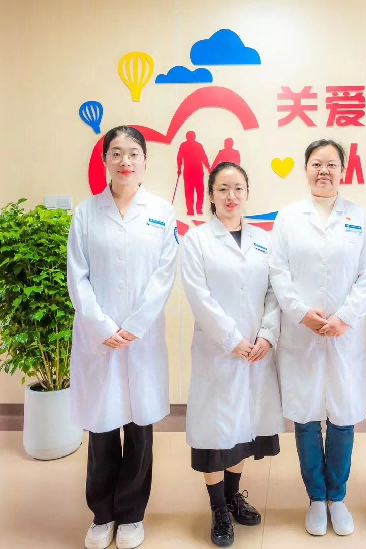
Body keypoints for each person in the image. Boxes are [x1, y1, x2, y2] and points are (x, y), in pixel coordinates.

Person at [67, 126, 178, 549]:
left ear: (145, 160)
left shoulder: (161, 212)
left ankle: (131, 514)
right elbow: (77, 277)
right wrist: (102, 327)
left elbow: (164, 276)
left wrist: (136, 324)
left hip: (141, 338)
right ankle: (102, 514)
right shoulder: (86, 213)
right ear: (105, 161)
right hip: (98, 338)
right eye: (116, 153)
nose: (125, 161)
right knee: (101, 425)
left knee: (138, 426)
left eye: (133, 153)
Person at [269, 139, 366, 537]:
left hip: (344, 335)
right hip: (302, 333)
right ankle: (316, 497)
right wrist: (301, 313)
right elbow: (278, 272)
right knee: (305, 415)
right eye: (317, 163)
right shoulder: (288, 218)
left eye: (332, 164)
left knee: (343, 415)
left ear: (343, 171)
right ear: (306, 169)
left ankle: (338, 496)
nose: (324, 171)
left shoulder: (360, 218)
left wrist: (345, 317)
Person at [181, 162, 284, 547]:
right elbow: (199, 296)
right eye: (222, 189)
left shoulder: (263, 240)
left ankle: (232, 497)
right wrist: (231, 339)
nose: (231, 196)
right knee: (215, 431)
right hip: (218, 352)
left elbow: (274, 292)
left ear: (248, 193)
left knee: (244, 428)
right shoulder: (197, 240)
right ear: (210, 194)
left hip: (256, 351)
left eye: (238, 188)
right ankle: (218, 509)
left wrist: (267, 335)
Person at [176, 131, 210, 216]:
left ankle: (197, 209)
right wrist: (179, 168)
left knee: (197, 190)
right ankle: (192, 210)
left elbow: (203, 157)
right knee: (191, 191)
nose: (191, 138)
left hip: (195, 171)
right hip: (191, 171)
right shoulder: (187, 145)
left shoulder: (196, 145)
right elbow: (179, 157)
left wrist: (208, 167)